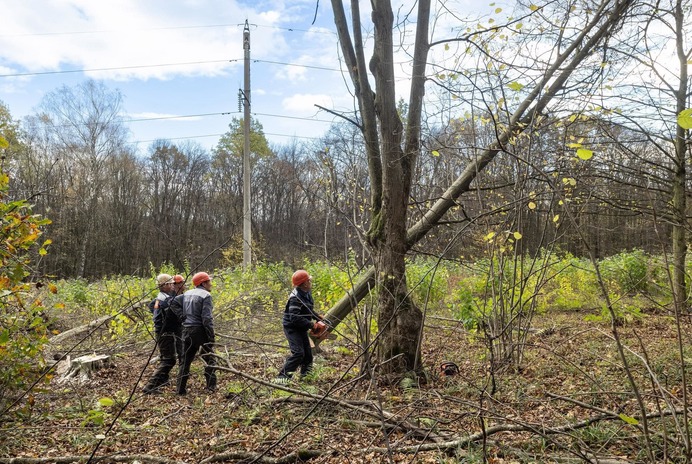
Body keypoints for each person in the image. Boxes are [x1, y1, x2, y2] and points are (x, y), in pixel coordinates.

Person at [274, 270, 326, 384]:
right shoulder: (295, 298)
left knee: (308, 355)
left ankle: (305, 381)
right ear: (304, 283)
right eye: (309, 280)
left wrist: (318, 318)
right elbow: (294, 317)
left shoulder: (306, 292)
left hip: (301, 327)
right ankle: (280, 381)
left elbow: (308, 310)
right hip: (292, 328)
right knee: (298, 353)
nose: (310, 282)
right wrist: (312, 325)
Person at [171, 271, 217, 395]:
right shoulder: (206, 296)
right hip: (200, 331)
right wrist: (211, 335)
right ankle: (211, 387)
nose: (211, 284)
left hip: (186, 331)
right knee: (209, 359)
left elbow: (173, 303)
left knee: (185, 361)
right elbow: (206, 318)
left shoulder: (187, 294)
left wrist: (182, 316)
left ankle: (180, 390)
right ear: (203, 283)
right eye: (209, 281)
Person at [143, 273, 183, 394]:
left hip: (164, 332)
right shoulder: (164, 300)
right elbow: (174, 314)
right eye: (170, 283)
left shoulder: (162, 297)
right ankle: (150, 386)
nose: (172, 285)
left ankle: (162, 380)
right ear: (164, 285)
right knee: (169, 360)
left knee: (165, 357)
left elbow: (153, 307)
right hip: (165, 333)